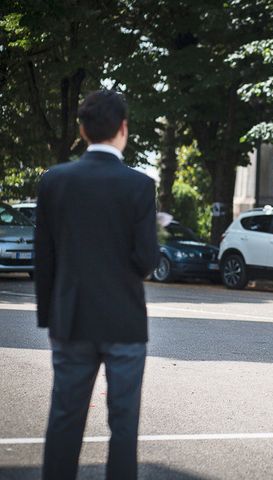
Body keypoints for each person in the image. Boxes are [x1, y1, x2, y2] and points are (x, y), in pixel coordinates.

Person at [35, 90, 159, 480]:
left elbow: (44, 259)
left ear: (82, 130)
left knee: (65, 419)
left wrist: (49, 319)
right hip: (124, 321)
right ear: (123, 129)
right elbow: (146, 260)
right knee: (123, 425)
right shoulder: (139, 185)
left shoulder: (54, 181)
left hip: (70, 321)